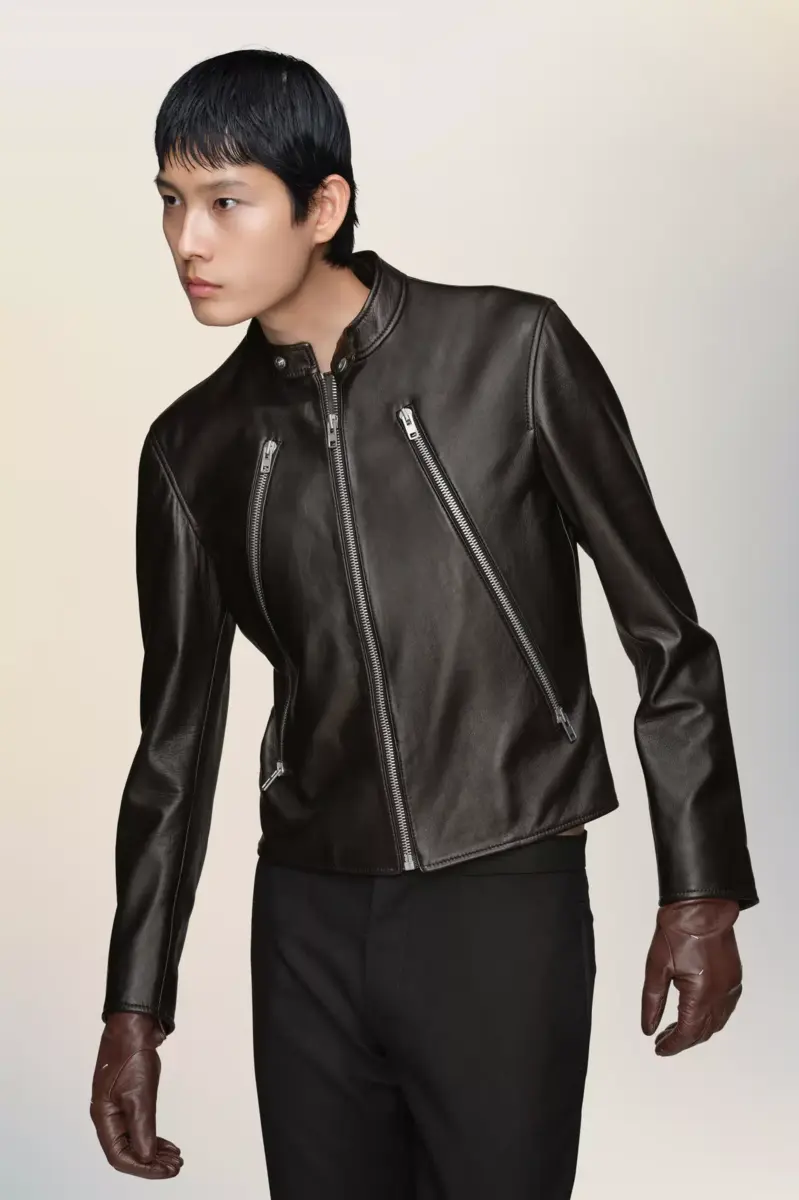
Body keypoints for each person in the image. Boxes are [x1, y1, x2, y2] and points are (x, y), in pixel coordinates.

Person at [89, 47, 759, 1197]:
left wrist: (700, 891)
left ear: (323, 207)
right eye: (170, 201)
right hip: (304, 920)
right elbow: (173, 749)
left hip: (499, 900)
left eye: (225, 202)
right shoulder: (191, 448)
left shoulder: (512, 353)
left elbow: (666, 638)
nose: (186, 240)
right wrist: (133, 1009)